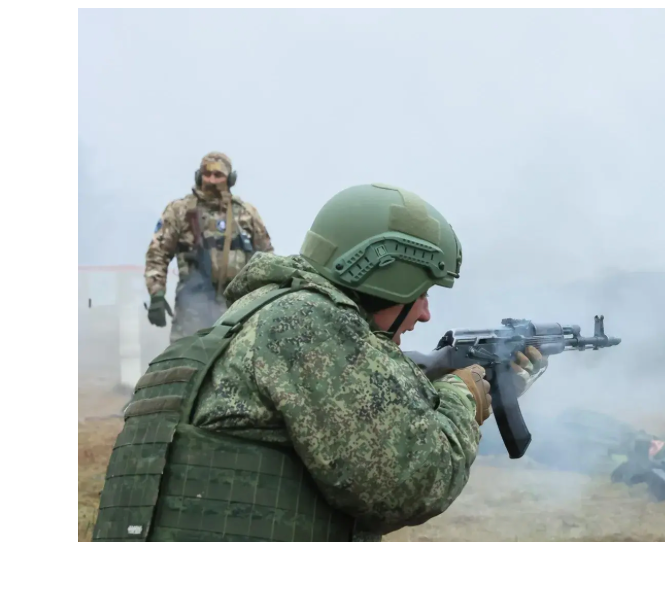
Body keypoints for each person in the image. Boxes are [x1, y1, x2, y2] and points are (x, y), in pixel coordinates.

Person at [92, 183, 548, 542]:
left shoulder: (264, 315)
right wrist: (463, 395)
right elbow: (411, 482)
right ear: (388, 277)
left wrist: (491, 385)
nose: (426, 312)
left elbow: (367, 412)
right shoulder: (306, 325)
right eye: (421, 292)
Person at [144, 151, 274, 342]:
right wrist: (157, 294)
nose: (211, 180)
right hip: (192, 309)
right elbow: (157, 254)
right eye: (207, 174)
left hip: (238, 310)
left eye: (218, 175)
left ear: (230, 179)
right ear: (199, 176)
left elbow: (268, 259)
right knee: (184, 365)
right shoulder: (180, 211)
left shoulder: (246, 215)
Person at [477, 407, 665, 476]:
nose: (653, 445)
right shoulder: (624, 435)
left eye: (656, 449)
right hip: (544, 429)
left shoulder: (619, 459)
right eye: (656, 443)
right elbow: (575, 416)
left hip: (543, 440)